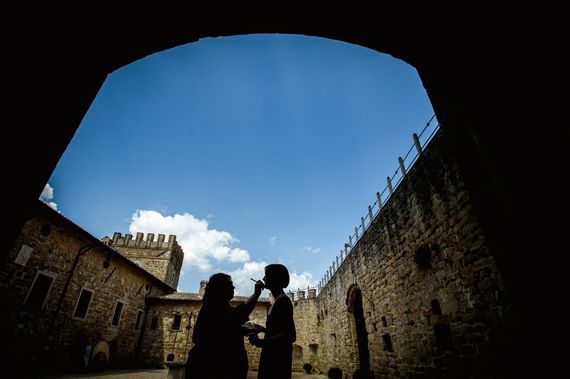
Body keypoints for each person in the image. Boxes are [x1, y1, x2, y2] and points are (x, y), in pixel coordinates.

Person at [185, 273, 264, 379]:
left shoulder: (216, 307)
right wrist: (256, 294)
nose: (233, 287)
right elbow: (238, 315)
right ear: (219, 288)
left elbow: (226, 326)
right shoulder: (213, 307)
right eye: (229, 284)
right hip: (213, 369)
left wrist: (241, 328)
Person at [249, 264, 296, 379]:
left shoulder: (283, 301)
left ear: (275, 279)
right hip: (274, 357)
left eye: (267, 276)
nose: (264, 279)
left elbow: (290, 335)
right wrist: (263, 329)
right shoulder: (279, 300)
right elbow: (280, 331)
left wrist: (261, 342)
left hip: (276, 360)